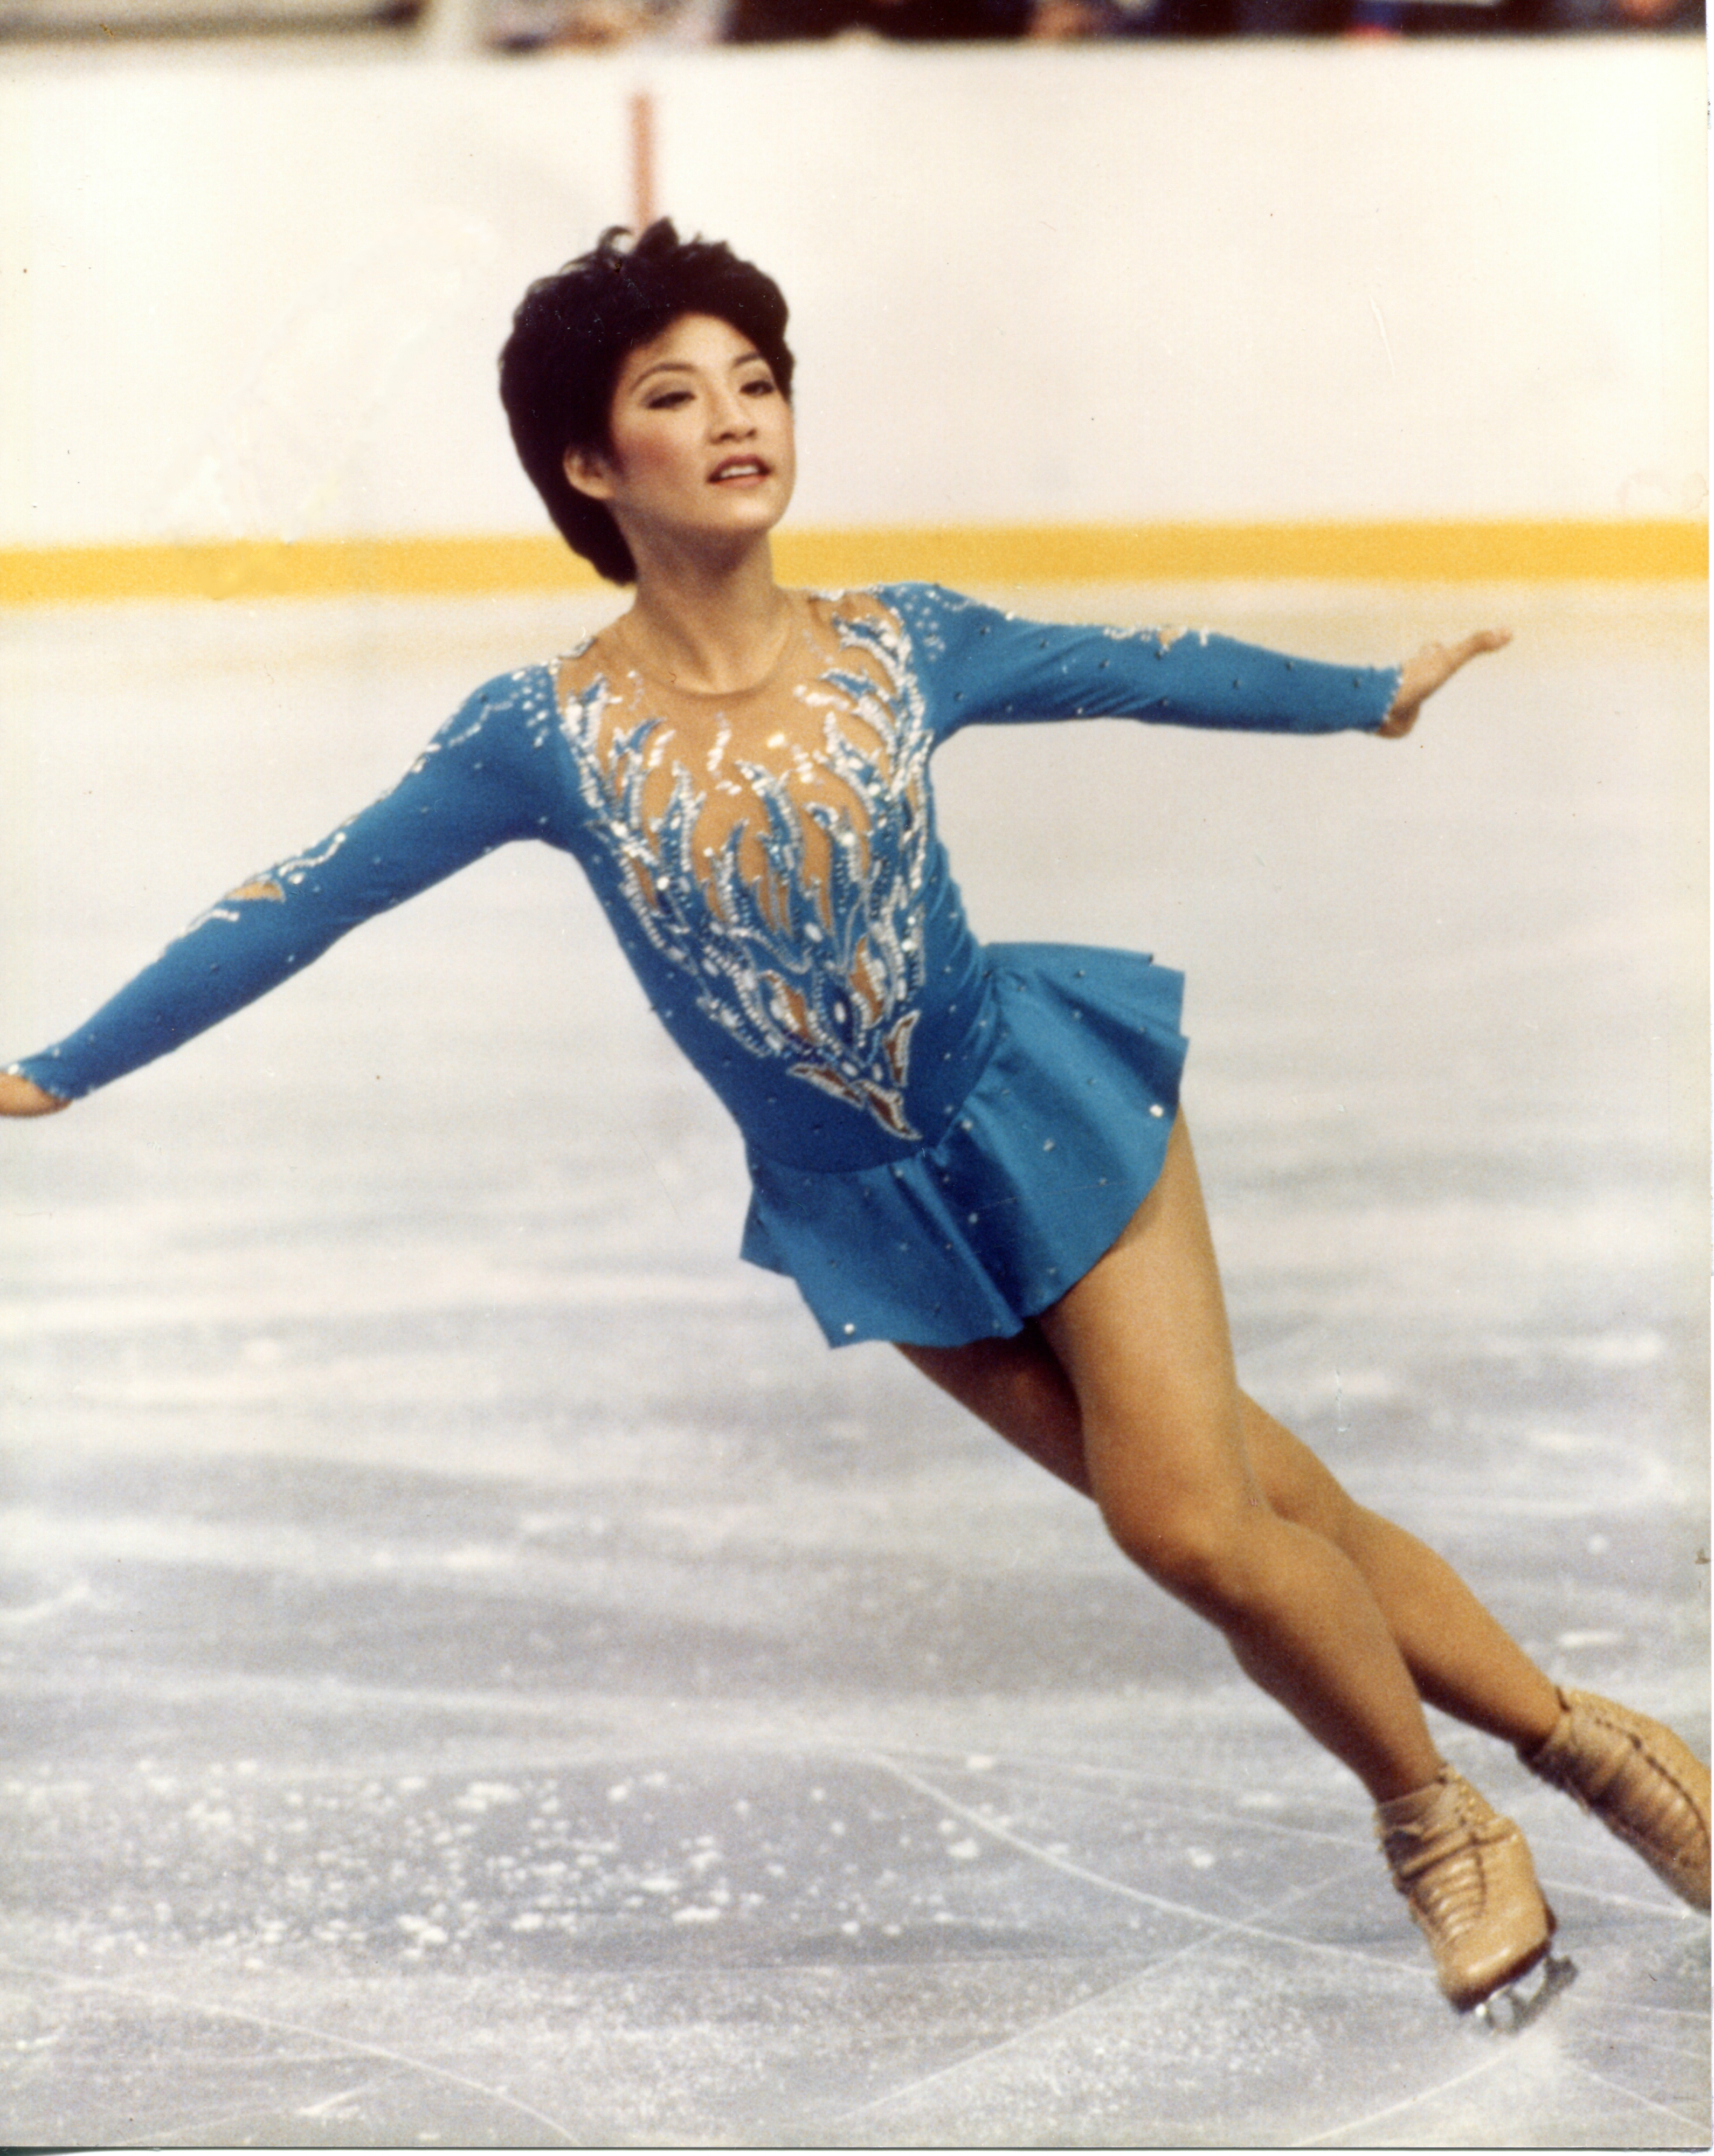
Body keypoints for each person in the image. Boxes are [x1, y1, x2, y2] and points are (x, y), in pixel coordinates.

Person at [3, 220, 1705, 2021]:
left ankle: (1435, 1826)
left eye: (758, 380)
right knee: (1274, 1510)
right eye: (675, 393)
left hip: (1042, 1112)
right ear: (591, 465)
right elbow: (302, 896)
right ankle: (1602, 1753)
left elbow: (1132, 662)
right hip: (866, 1206)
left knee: (1186, 1527)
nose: (736, 417)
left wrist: (1363, 698)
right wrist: (56, 1066)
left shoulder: (899, 645)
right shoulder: (542, 735)